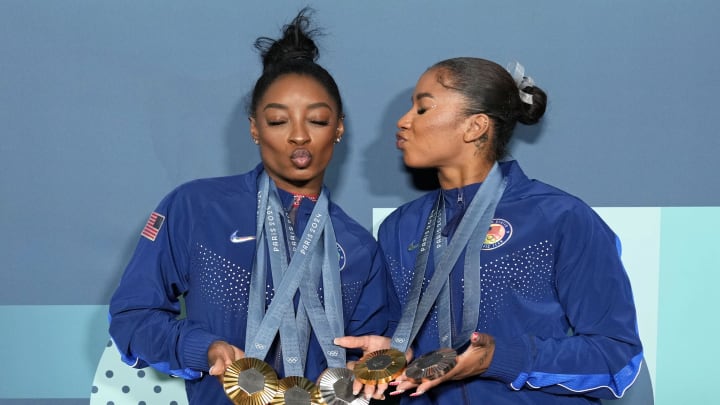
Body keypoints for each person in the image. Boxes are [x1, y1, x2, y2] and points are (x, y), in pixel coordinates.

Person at [108, 9, 392, 404]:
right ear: (254, 127)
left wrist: (378, 368)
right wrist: (202, 348)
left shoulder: (359, 246)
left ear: (339, 128)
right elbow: (132, 318)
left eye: (317, 120)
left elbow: (371, 369)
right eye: (277, 121)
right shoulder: (197, 207)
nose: (297, 136)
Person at [371, 57, 644, 404]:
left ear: (475, 127)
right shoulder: (400, 227)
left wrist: (498, 358)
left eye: (422, 109)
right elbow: (401, 339)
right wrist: (389, 353)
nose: (403, 121)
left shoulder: (559, 217)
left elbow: (616, 357)